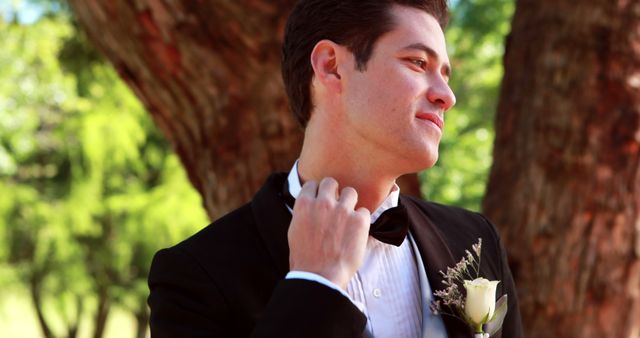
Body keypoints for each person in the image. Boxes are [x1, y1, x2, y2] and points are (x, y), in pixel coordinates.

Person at [148, 0, 523, 337]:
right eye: (418, 63)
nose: (447, 95)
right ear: (331, 66)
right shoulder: (196, 275)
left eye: (446, 74)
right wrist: (314, 286)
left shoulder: (474, 239)